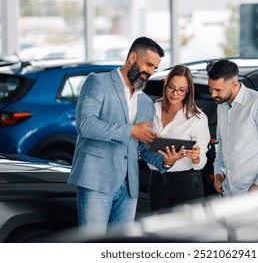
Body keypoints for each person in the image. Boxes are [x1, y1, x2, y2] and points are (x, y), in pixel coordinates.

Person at [67, 36, 181, 235]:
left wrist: (166, 160)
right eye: (149, 64)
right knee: (93, 245)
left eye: (155, 68)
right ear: (132, 57)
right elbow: (85, 124)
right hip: (96, 180)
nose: (151, 72)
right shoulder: (98, 82)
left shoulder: (145, 102)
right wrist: (130, 130)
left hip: (129, 187)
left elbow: (144, 147)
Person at [206, 59, 258, 196]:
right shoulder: (222, 106)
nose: (213, 94)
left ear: (234, 84)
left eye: (218, 90)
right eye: (210, 89)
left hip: (257, 192)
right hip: (230, 191)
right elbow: (222, 142)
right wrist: (218, 171)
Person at [147, 65, 210, 211]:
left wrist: (196, 157)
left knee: (187, 231)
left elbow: (201, 162)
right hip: (156, 179)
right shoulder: (151, 109)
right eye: (171, 88)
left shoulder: (197, 118)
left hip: (186, 182)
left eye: (181, 90)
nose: (175, 94)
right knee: (159, 229)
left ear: (188, 91)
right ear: (165, 83)